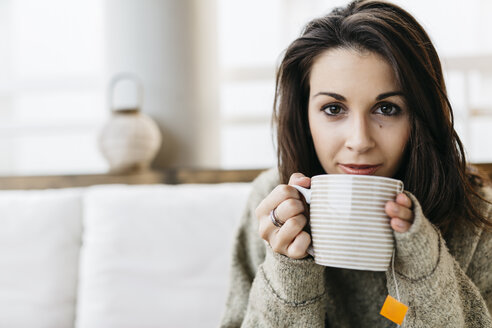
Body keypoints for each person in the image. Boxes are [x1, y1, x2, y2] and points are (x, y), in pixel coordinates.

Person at [219, 0, 492, 327]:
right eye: (334, 109)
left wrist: (423, 259)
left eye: (387, 109)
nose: (360, 140)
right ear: (304, 116)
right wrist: (288, 269)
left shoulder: (476, 216)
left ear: (420, 117)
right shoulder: (273, 203)